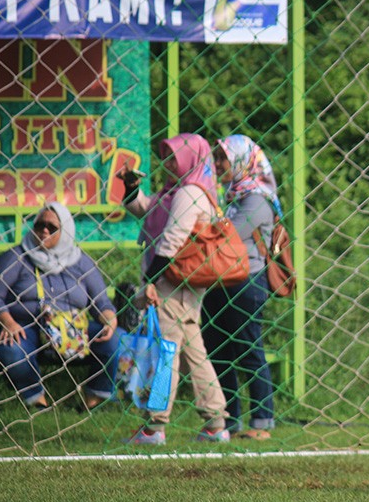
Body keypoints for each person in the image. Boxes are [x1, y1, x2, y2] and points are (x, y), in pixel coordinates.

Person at [118, 133, 229, 444]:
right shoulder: (178, 191)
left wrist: (151, 282)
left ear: (191, 159)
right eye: (165, 157)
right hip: (181, 284)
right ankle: (216, 423)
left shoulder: (189, 193)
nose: (167, 163)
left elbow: (171, 240)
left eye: (174, 157)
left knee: (165, 353)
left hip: (172, 283)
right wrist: (131, 186)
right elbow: (145, 208)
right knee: (195, 352)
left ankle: (154, 426)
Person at [0, 202, 122, 410]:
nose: (44, 231)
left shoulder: (81, 262)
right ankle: (37, 401)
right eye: (39, 225)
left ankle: (94, 399)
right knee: (13, 348)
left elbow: (101, 302)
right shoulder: (17, 257)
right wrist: (8, 322)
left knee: (116, 338)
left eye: (52, 227)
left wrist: (109, 320)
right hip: (25, 326)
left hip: (69, 328)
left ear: (65, 231)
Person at [201, 135, 278, 440]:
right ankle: (229, 420)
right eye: (216, 158)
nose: (218, 164)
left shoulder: (256, 199)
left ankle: (262, 420)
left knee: (248, 349)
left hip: (247, 283)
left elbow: (226, 235)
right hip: (218, 281)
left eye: (223, 158)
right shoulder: (230, 195)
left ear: (242, 161)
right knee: (218, 351)